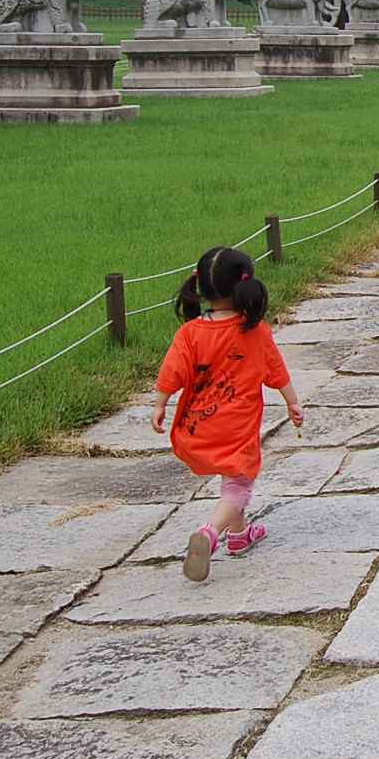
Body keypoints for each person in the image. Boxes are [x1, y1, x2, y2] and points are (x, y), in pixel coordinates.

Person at [152, 246, 303, 582]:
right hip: (238, 425)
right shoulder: (254, 330)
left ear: (201, 287)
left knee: (232, 475)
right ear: (244, 286)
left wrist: (161, 403)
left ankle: (240, 534)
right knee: (239, 483)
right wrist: (292, 402)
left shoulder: (190, 332)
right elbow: (276, 371)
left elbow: (172, 371)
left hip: (200, 423)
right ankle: (210, 532)